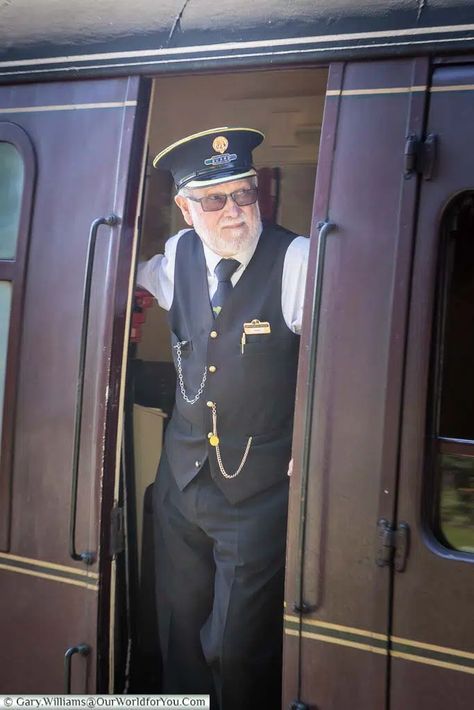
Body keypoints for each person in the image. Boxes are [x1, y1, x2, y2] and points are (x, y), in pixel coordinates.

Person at [137, 127, 309, 709]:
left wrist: (308, 447)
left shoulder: (298, 260)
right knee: (179, 633)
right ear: (186, 209)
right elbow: (123, 291)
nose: (235, 211)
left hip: (258, 492)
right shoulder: (176, 257)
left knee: (237, 648)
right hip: (181, 481)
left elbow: (344, 363)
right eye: (215, 199)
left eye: (244, 193)